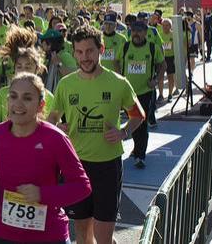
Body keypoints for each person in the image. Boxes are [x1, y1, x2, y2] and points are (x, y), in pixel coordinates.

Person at [48, 25, 145, 244]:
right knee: (82, 232)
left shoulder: (118, 83)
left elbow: (138, 114)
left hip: (107, 167)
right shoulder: (66, 84)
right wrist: (56, 127)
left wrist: (124, 132)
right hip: (76, 166)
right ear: (73, 53)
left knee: (103, 237)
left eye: (90, 51)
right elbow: (52, 117)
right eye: (80, 52)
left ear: (101, 49)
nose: (85, 57)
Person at [0, 73, 91, 244]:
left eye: (27, 98)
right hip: (4, 232)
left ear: (40, 105)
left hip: (48, 236)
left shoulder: (55, 138)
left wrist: (42, 194)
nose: (18, 104)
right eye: (13, 96)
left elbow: (82, 187)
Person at [121, 20, 165, 164]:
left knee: (141, 122)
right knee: (133, 121)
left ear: (145, 33)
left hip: (145, 92)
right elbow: (116, 62)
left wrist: (156, 80)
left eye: (139, 31)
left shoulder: (153, 48)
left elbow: (162, 65)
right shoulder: (125, 46)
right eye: (133, 31)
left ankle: (141, 155)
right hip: (128, 92)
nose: (136, 34)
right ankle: (136, 147)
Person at [0, 46, 53, 127]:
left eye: (28, 67)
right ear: (14, 69)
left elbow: (53, 126)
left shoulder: (48, 97)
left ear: (37, 70)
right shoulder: (3, 93)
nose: (23, 71)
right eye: (19, 67)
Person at [159, 19, 177, 101]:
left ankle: (170, 94)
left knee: (170, 77)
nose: (165, 27)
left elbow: (177, 48)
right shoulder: (159, 35)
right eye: (163, 25)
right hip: (161, 59)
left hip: (171, 57)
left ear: (170, 26)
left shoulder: (173, 35)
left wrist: (175, 59)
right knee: (161, 77)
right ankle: (160, 95)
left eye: (167, 25)